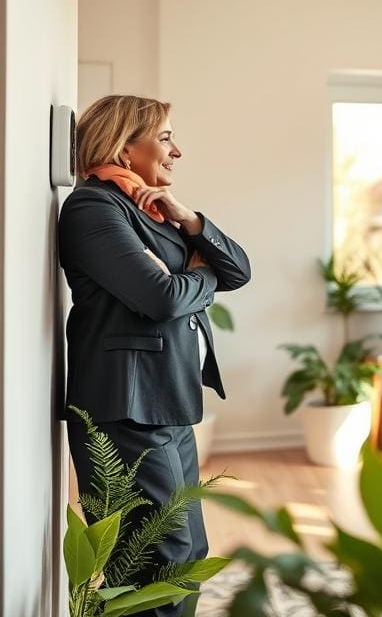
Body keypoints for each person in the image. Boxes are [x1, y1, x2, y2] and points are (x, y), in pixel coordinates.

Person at [59, 95, 251, 616]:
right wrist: (198, 274)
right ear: (124, 148)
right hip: (128, 406)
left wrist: (189, 220)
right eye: (165, 138)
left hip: (165, 398)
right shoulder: (93, 208)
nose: (177, 151)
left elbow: (238, 271)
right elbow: (162, 298)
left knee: (187, 549)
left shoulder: (151, 209)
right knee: (158, 555)